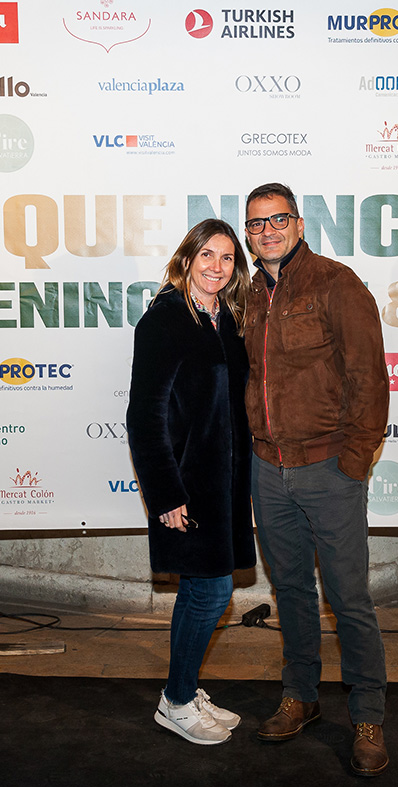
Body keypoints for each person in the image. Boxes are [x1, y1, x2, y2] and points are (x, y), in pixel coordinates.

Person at [242, 182, 391, 776]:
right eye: (257, 223)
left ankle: (368, 716)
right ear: (248, 234)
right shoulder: (247, 294)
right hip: (267, 469)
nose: (268, 231)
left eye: (278, 219)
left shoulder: (336, 283)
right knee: (292, 592)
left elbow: (369, 378)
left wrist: (353, 462)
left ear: (299, 224)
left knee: (349, 597)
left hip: (330, 469)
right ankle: (300, 697)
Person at [126, 219, 256, 745]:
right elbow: (144, 415)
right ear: (186, 258)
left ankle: (183, 690)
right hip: (187, 485)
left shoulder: (227, 318)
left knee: (202, 590)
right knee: (212, 591)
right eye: (207, 255)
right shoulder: (165, 320)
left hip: (225, 485)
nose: (216, 267)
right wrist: (165, 493)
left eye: (227, 258)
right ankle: (176, 700)